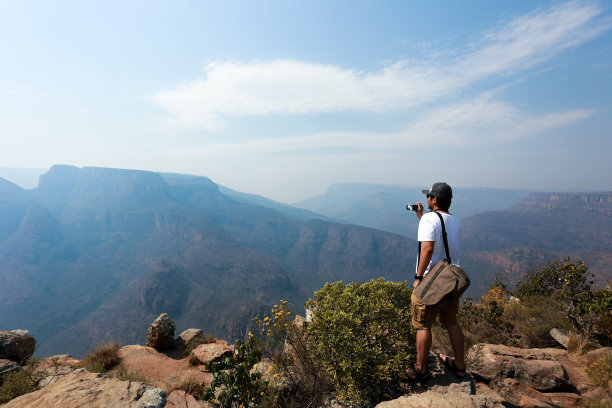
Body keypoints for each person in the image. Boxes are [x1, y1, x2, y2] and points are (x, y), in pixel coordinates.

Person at [406, 182, 466, 380]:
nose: (426, 199)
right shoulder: (455, 220)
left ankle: (420, 369)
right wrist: (421, 216)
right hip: (451, 279)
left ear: (434, 200)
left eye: (429, 196)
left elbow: (428, 249)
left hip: (432, 282)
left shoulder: (429, 220)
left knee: (423, 325)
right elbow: (442, 237)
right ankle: (459, 365)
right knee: (451, 322)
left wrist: (418, 278)